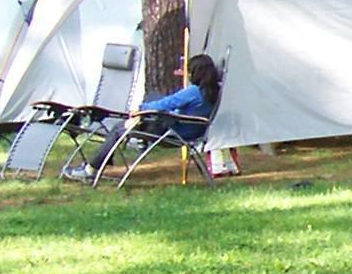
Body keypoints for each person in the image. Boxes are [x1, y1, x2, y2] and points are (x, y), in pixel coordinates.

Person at [63, 54, 228, 181]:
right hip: (191, 130)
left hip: (174, 132)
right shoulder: (213, 92)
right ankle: (136, 131)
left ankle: (90, 170)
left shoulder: (193, 92)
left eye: (190, 72)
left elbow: (167, 103)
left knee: (119, 128)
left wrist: (141, 110)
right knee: (153, 96)